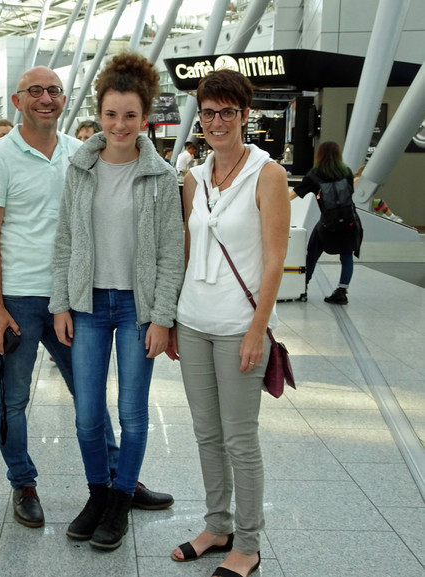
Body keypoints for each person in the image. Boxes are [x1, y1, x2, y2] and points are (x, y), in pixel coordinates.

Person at [0, 65, 174, 532]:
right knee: (13, 397)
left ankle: (116, 479)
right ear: (18, 99)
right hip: (22, 296)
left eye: (54, 91)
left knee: (90, 400)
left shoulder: (78, 153)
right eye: (35, 91)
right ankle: (23, 482)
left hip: (77, 298)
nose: (45, 98)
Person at [50, 53, 184, 551]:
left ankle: (122, 499)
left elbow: (172, 254)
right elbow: (64, 240)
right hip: (86, 304)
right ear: (98, 114)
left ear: (144, 117)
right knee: (87, 412)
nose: (120, 125)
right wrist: (60, 303)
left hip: (136, 308)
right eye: (111, 114)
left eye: (130, 115)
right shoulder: (80, 167)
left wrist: (161, 318)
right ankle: (97, 493)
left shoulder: (160, 176)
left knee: (131, 410)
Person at [168, 69, 289, 577]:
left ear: (245, 115)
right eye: (209, 112)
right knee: (205, 432)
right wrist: (173, 317)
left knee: (240, 437)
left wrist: (258, 328)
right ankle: (216, 525)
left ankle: (249, 540)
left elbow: (275, 259)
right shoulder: (194, 177)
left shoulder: (268, 174)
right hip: (193, 320)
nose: (216, 122)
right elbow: (189, 249)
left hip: (240, 324)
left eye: (227, 112)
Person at [291, 141, 362, 305]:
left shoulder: (315, 175)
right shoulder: (346, 172)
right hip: (350, 223)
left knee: (312, 254)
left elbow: (293, 194)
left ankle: (303, 287)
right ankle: (342, 291)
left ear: (319, 155)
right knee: (346, 255)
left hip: (327, 225)